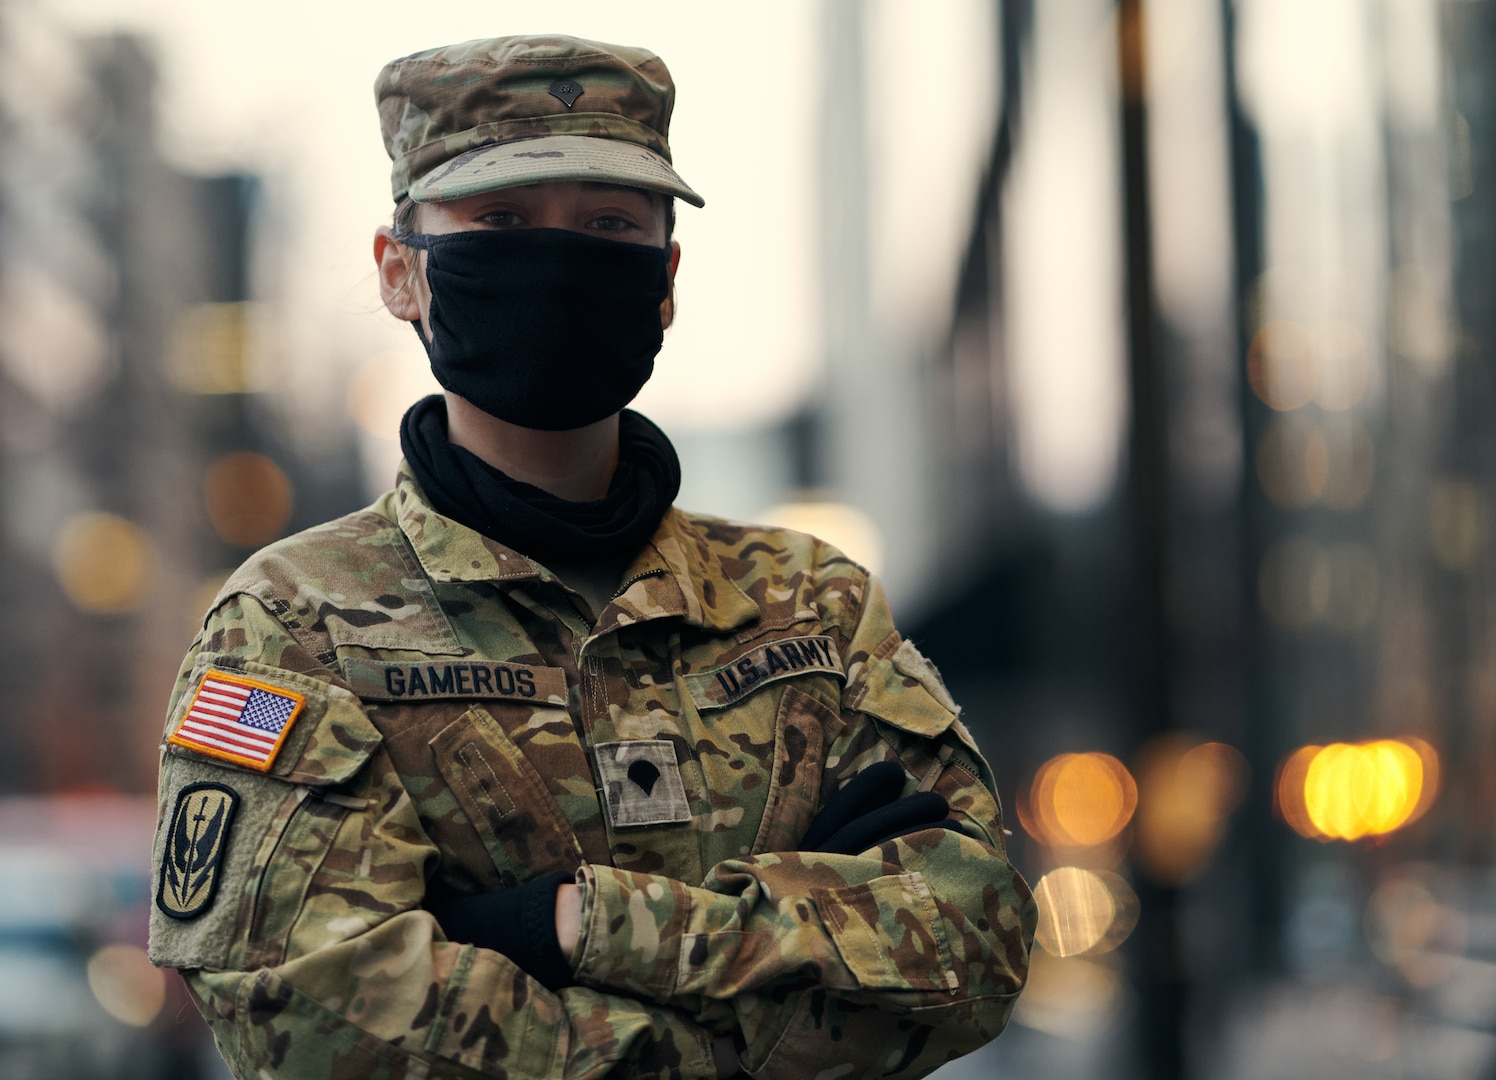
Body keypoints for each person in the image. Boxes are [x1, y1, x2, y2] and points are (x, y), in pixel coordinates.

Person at [149, 34, 1035, 1079]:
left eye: (607, 226)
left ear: (663, 279)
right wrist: (781, 978)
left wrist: (569, 923)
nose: (557, 263)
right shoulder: (292, 624)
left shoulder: (811, 606)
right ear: (400, 274)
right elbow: (314, 1022)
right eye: (501, 224)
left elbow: (974, 946)